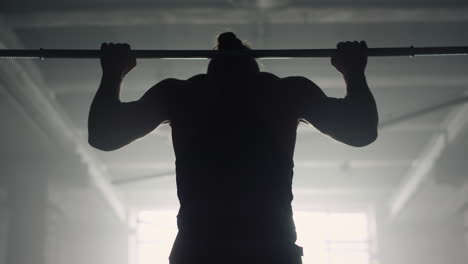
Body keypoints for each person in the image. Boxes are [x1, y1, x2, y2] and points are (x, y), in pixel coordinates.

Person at [88, 32, 378, 264]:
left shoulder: (182, 94)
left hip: (201, 250)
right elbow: (360, 130)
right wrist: (353, 71)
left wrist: (114, 72)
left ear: (210, 67)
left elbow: (104, 135)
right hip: (268, 250)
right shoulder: (284, 92)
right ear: (254, 66)